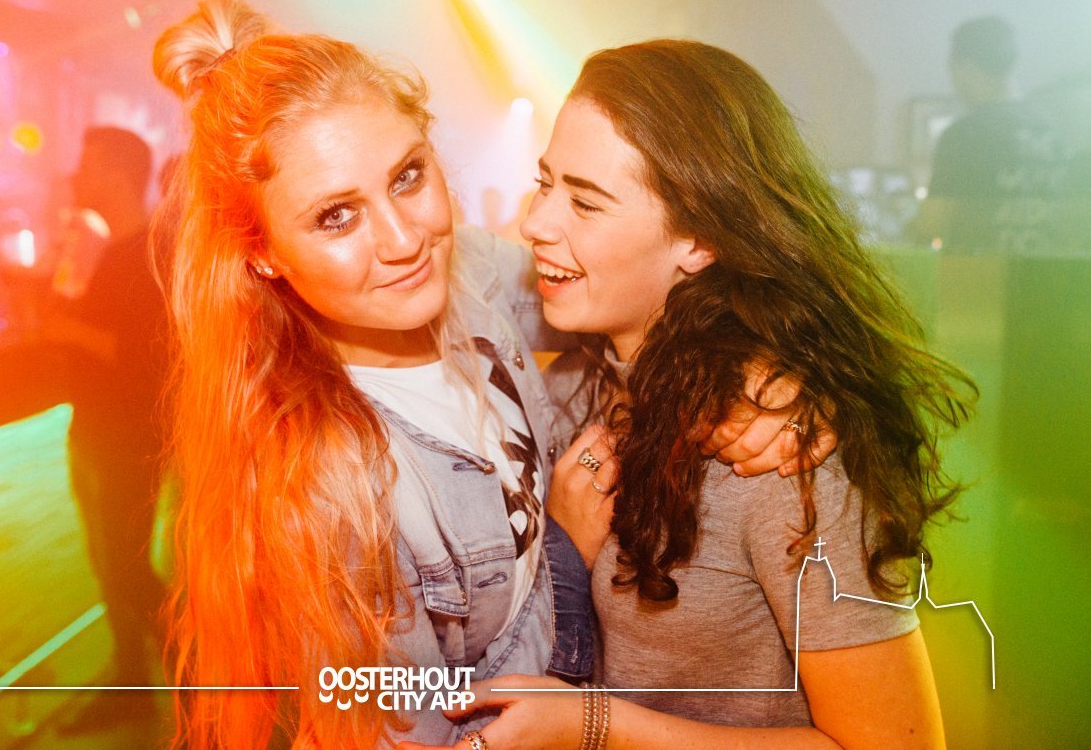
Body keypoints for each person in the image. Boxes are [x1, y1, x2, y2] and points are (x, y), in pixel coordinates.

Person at [151, 1, 811, 750]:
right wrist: (563, 551)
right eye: (337, 216)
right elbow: (433, 734)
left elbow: (626, 290)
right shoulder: (325, 489)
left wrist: (760, 373)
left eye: (407, 176)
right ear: (264, 253)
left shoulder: (464, 277)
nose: (404, 240)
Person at [402, 40, 975, 750]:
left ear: (699, 239)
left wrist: (596, 726)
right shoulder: (573, 379)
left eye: (585, 202)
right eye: (544, 183)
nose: (537, 222)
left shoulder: (775, 450)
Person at [43, 126, 169, 731]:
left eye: (88, 167)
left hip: (131, 434)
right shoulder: (108, 249)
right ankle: (131, 683)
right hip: (95, 426)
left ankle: (204, 694)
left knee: (130, 569)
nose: (75, 176)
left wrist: (61, 329)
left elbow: (144, 357)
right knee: (109, 561)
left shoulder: (148, 254)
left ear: (118, 177)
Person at [909, 15, 1059, 253]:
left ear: (966, 68)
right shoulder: (1050, 129)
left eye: (953, 72)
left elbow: (932, 223)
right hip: (1046, 271)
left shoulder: (964, 135)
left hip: (979, 271)